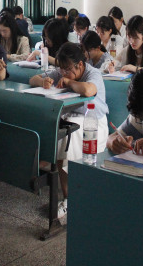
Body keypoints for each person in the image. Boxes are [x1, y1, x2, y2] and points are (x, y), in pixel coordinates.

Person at [29, 42, 109, 215]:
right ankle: (64, 192)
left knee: (65, 137)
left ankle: (68, 198)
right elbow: (32, 79)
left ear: (80, 65)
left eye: (67, 69)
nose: (63, 73)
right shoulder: (63, 70)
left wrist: (69, 82)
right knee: (57, 130)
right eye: (61, 69)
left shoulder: (92, 73)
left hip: (93, 123)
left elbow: (88, 90)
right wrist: (44, 81)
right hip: (71, 119)